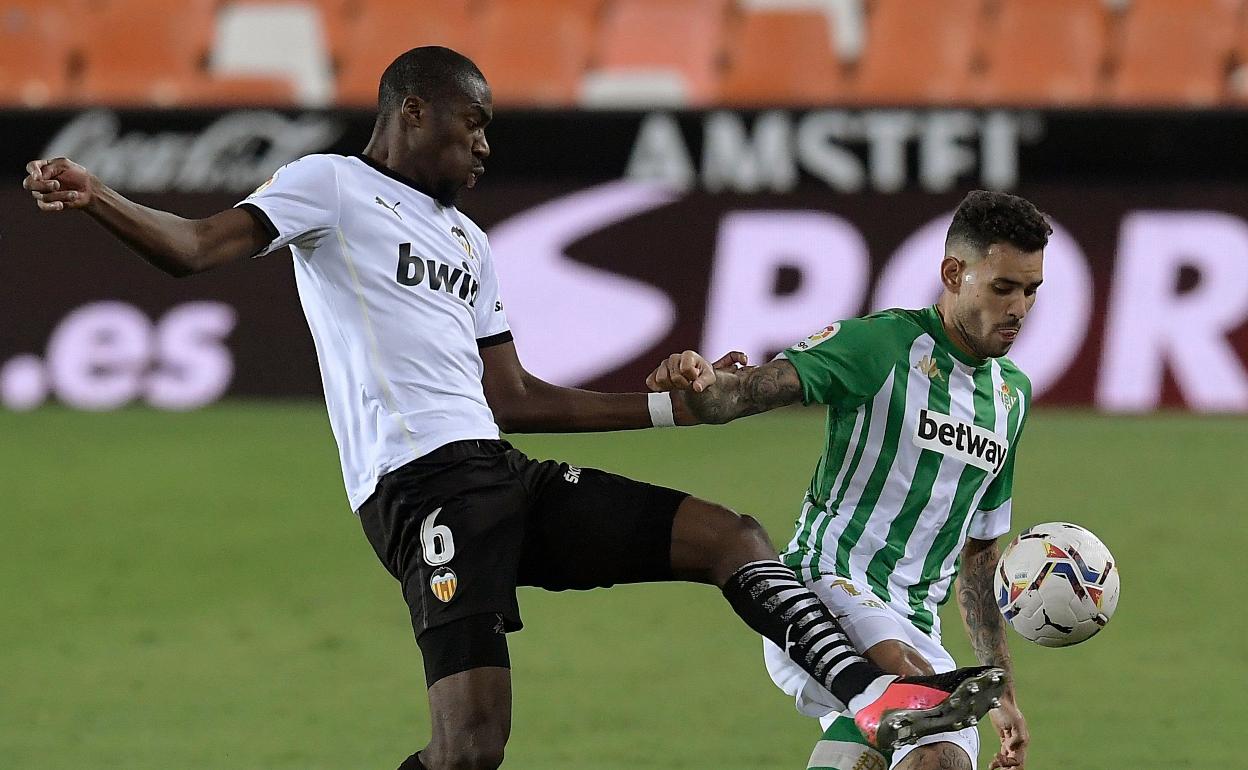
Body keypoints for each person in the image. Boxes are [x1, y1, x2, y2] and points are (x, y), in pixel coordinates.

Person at [23, 46, 1006, 770]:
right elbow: (196, 246)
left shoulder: (471, 246)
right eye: (473, 124)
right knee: (471, 748)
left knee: (732, 534)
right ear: (414, 111)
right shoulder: (330, 187)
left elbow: (515, 396)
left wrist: (676, 411)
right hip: (422, 492)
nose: (486, 144)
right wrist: (100, 195)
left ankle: (878, 694)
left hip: (498, 471)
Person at [646, 190, 1047, 770]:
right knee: (927, 719)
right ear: (954, 274)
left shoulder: (1011, 398)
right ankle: (904, 698)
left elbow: (980, 560)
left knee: (935, 754)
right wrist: (704, 386)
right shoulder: (879, 346)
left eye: (1031, 290)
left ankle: (898, 708)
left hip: (915, 624)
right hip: (823, 592)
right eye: (1003, 287)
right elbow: (751, 391)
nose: (1018, 308)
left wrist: (1005, 694)